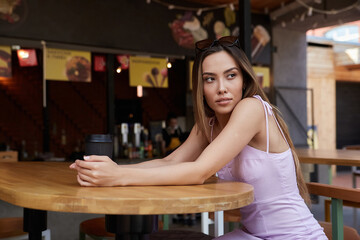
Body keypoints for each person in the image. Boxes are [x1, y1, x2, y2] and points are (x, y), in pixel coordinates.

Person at [70, 36, 327, 239]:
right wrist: (110, 169)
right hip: (251, 235)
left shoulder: (252, 108)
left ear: (244, 79)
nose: (222, 88)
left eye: (230, 75)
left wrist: (118, 177)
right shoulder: (209, 125)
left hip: (296, 235)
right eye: (210, 79)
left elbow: (198, 172)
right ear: (201, 87)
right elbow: (170, 162)